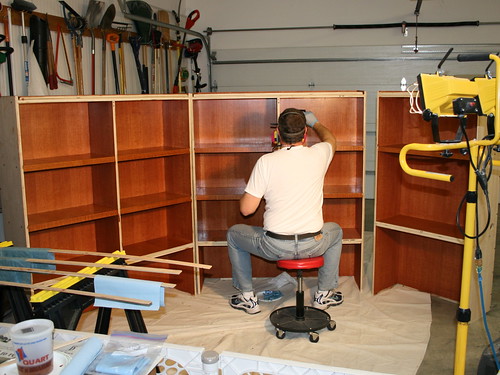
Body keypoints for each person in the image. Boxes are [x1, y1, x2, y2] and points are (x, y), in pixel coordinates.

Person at [226, 108, 343, 314]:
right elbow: (330, 138)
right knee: (336, 231)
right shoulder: (320, 153)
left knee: (234, 234)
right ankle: (324, 293)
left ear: (278, 134)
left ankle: (247, 298)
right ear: (305, 134)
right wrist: (314, 122)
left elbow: (246, 210)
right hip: (313, 244)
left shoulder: (266, 162)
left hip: (275, 246)